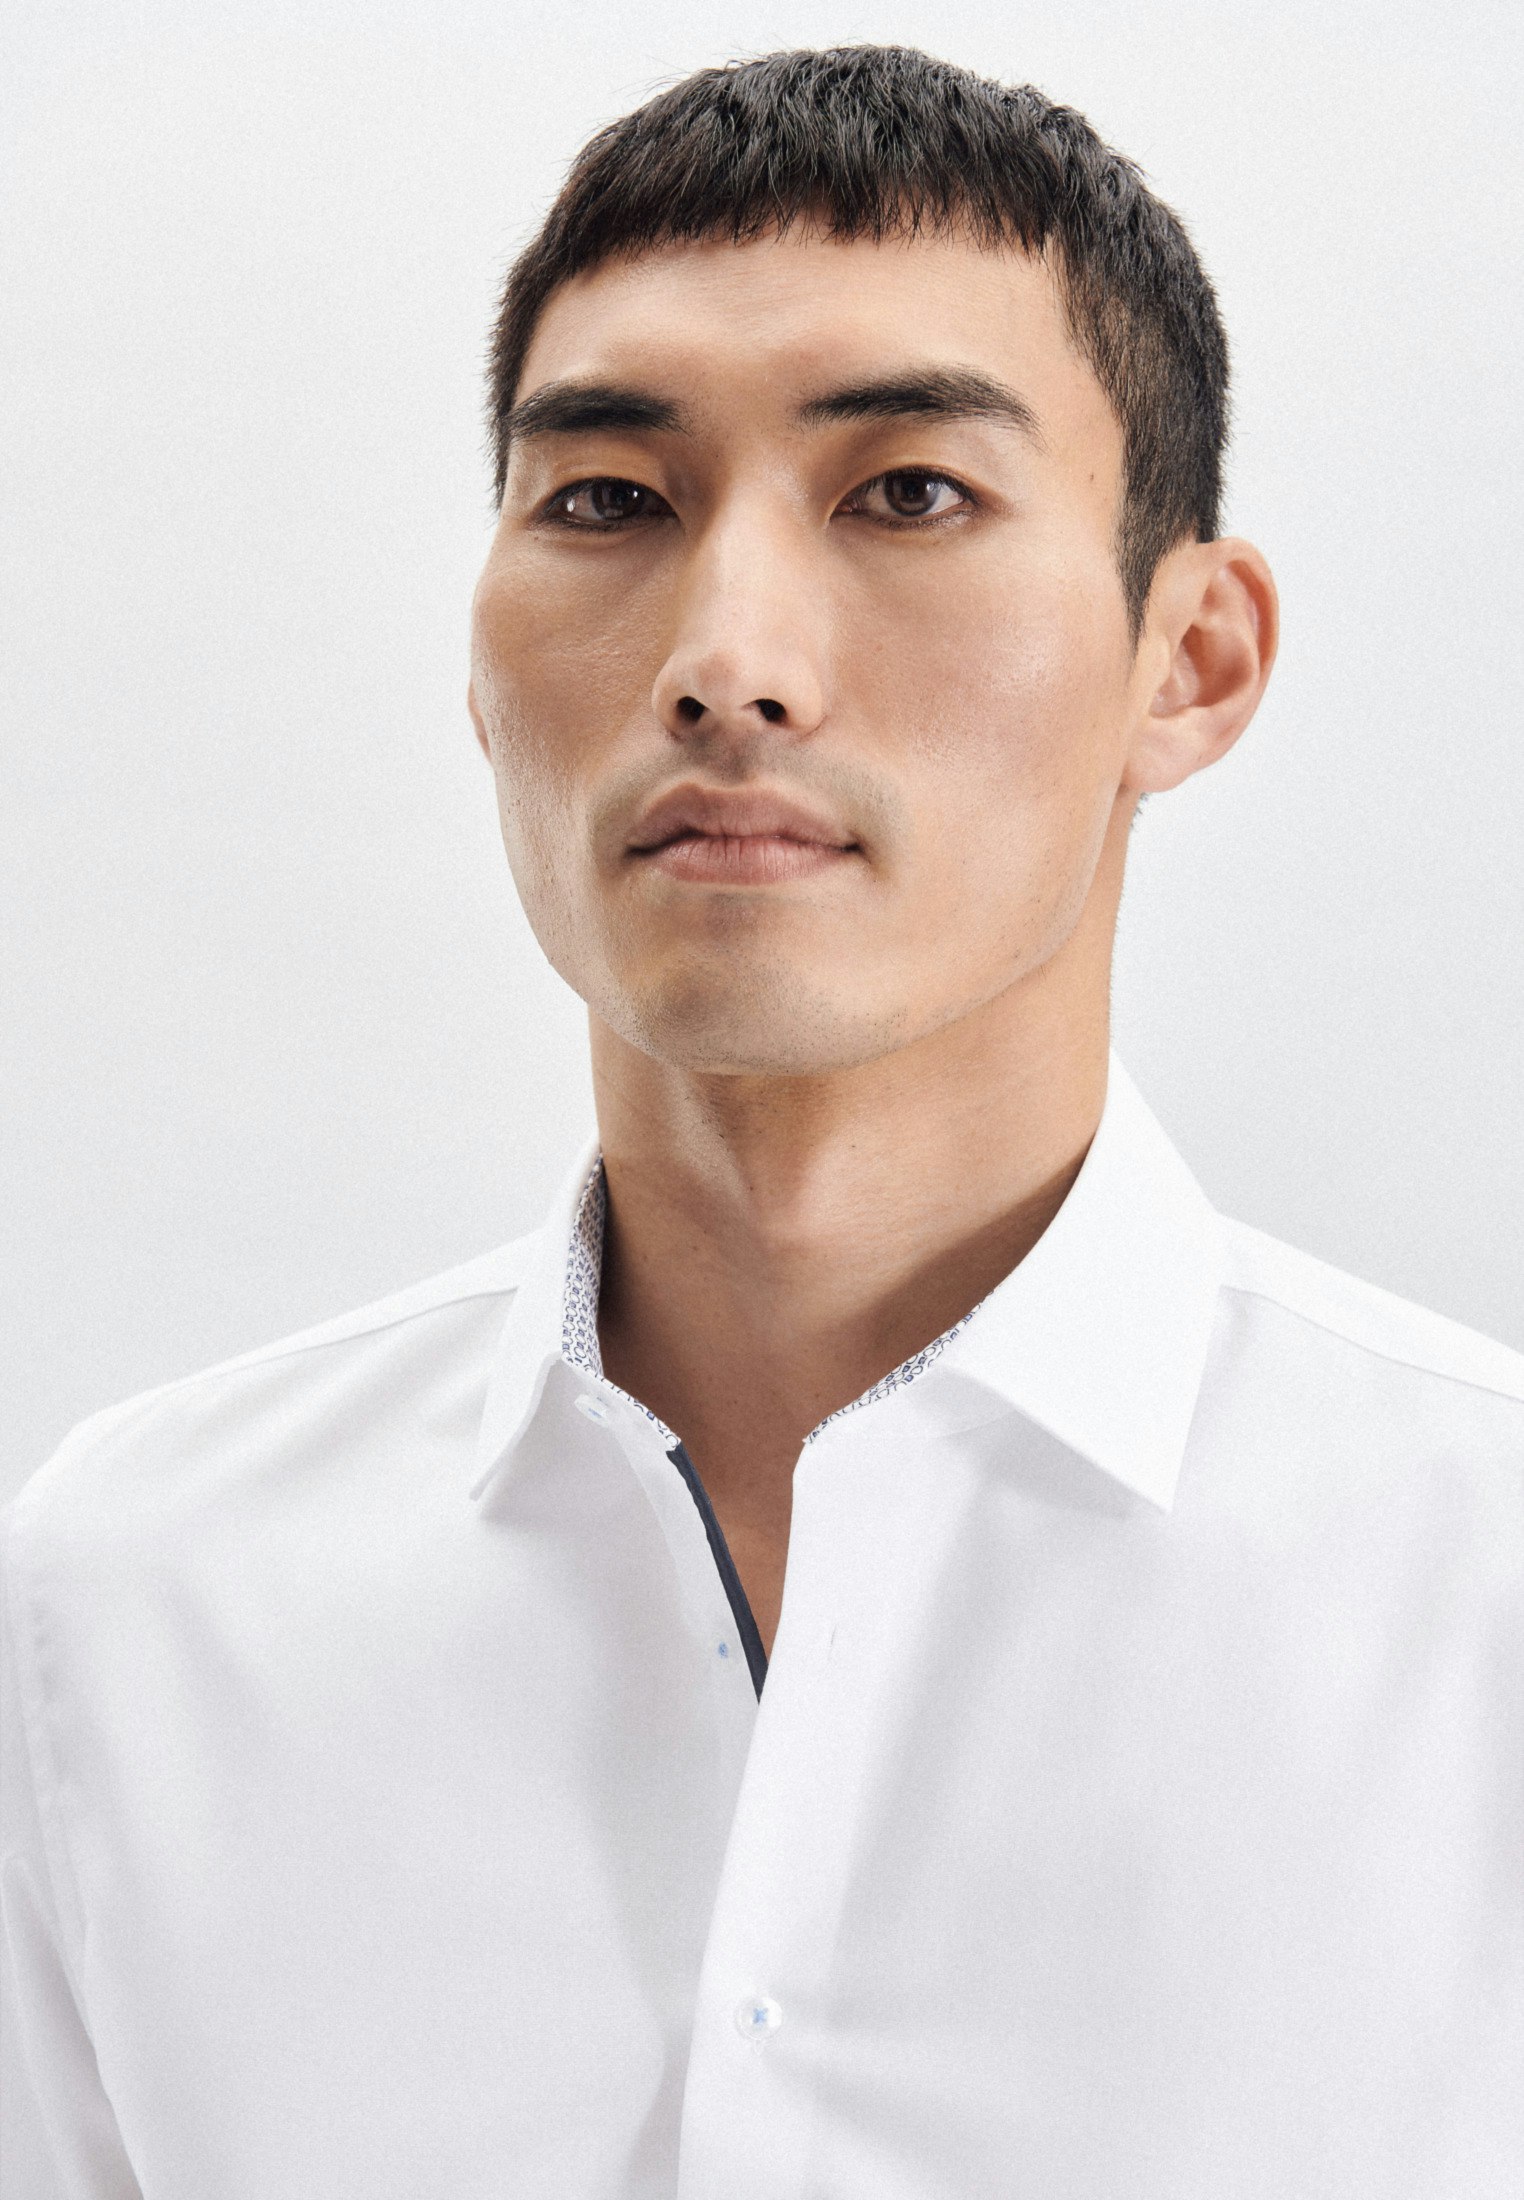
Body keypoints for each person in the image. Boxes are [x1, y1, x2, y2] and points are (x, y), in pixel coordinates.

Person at [2, 44, 1518, 2199]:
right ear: (478, 659)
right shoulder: (135, 1603)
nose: (728, 661)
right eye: (607, 501)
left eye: (909, 494)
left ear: (1187, 659)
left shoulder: (1476, 1599)